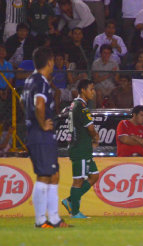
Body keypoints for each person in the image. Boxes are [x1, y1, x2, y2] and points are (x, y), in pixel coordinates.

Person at [21, 47, 69, 228]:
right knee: (44, 175)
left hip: (39, 135)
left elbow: (21, 101)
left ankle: (54, 218)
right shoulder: (40, 81)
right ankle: (41, 221)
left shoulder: (29, 81)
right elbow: (39, 104)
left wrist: (30, 118)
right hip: (41, 135)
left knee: (53, 174)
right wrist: (40, 123)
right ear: (49, 62)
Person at [59, 79, 99, 219]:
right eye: (91, 89)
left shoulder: (75, 105)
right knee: (78, 180)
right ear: (83, 90)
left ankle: (70, 200)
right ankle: (75, 212)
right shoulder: (80, 107)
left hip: (84, 148)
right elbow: (91, 128)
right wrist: (96, 137)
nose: (93, 92)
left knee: (94, 176)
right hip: (80, 148)